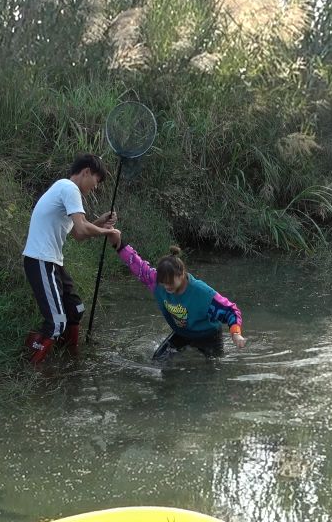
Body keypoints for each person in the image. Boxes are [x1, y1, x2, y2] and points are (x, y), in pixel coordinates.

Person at [22, 153, 125, 364]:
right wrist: (109, 233)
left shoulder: (65, 191)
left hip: (52, 262)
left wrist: (100, 222)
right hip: (40, 260)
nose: (95, 188)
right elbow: (82, 227)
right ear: (86, 172)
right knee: (57, 322)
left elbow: (79, 235)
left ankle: (69, 359)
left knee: (75, 309)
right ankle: (31, 365)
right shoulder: (69, 188)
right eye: (96, 181)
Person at [117, 243, 247, 359]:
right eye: (163, 283)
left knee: (211, 371)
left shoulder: (202, 292)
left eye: (170, 283)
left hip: (208, 336)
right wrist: (119, 245)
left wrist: (236, 334)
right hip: (182, 333)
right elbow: (137, 264)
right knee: (158, 360)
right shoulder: (156, 282)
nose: (167, 287)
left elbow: (230, 310)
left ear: (182, 274)